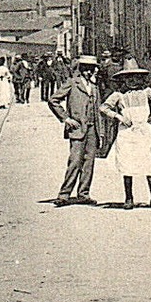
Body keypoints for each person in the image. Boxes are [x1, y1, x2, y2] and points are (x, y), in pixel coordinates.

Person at [99, 59, 151, 209]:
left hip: (144, 131)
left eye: (136, 77)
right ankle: (129, 197)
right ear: (123, 79)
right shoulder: (118, 95)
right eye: (129, 78)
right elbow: (104, 108)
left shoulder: (147, 92)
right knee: (127, 163)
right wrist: (119, 117)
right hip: (127, 133)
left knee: (149, 162)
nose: (133, 81)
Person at [46, 54, 102, 206]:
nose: (89, 72)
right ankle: (64, 194)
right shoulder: (72, 83)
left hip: (92, 129)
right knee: (75, 161)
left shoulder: (94, 87)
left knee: (89, 162)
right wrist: (66, 119)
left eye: (92, 69)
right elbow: (53, 100)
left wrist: (100, 131)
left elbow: (97, 110)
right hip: (77, 128)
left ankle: (83, 193)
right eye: (86, 69)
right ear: (81, 68)